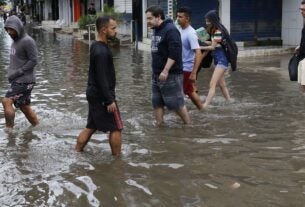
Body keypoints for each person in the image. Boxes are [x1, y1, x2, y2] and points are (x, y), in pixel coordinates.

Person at [75, 16, 122, 156]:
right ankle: (117, 161)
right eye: (113, 28)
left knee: (91, 126)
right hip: (102, 95)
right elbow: (102, 77)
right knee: (116, 127)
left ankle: (76, 152)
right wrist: (109, 100)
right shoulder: (101, 51)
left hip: (94, 93)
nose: (116, 31)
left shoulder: (96, 45)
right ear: (103, 30)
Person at [145, 6, 190, 126]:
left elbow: (174, 52)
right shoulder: (155, 29)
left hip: (171, 74)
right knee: (157, 102)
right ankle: (159, 125)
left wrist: (165, 70)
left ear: (158, 17)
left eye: (149, 18)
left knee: (176, 103)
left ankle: (188, 125)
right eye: (146, 19)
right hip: (156, 74)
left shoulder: (171, 30)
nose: (147, 21)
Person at [2, 15, 39, 129]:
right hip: (18, 80)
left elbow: (34, 60)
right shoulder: (15, 41)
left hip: (24, 81)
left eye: (11, 29)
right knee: (24, 107)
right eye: (7, 29)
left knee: (6, 101)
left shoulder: (27, 41)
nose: (9, 32)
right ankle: (38, 127)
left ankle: (9, 131)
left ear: (18, 27)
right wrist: (11, 74)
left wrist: (18, 72)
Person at [200, 10, 232, 109]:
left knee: (212, 84)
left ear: (213, 20)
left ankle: (205, 105)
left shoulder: (217, 31)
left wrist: (199, 48)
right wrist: (203, 41)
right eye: (206, 21)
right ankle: (229, 101)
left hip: (222, 61)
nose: (206, 23)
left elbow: (212, 47)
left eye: (208, 21)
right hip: (219, 61)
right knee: (222, 84)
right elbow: (214, 43)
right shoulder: (215, 31)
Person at [176, 7, 203, 110]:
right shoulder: (179, 30)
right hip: (179, 67)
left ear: (187, 19)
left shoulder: (191, 33)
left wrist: (194, 72)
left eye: (180, 17)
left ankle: (202, 109)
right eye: (177, 16)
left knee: (189, 92)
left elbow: (198, 52)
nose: (177, 18)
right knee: (187, 91)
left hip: (187, 68)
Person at [295, 0, 305, 92]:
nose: (301, 12)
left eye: (304, 10)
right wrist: (300, 47)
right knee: (303, 88)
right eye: (300, 9)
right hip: (302, 59)